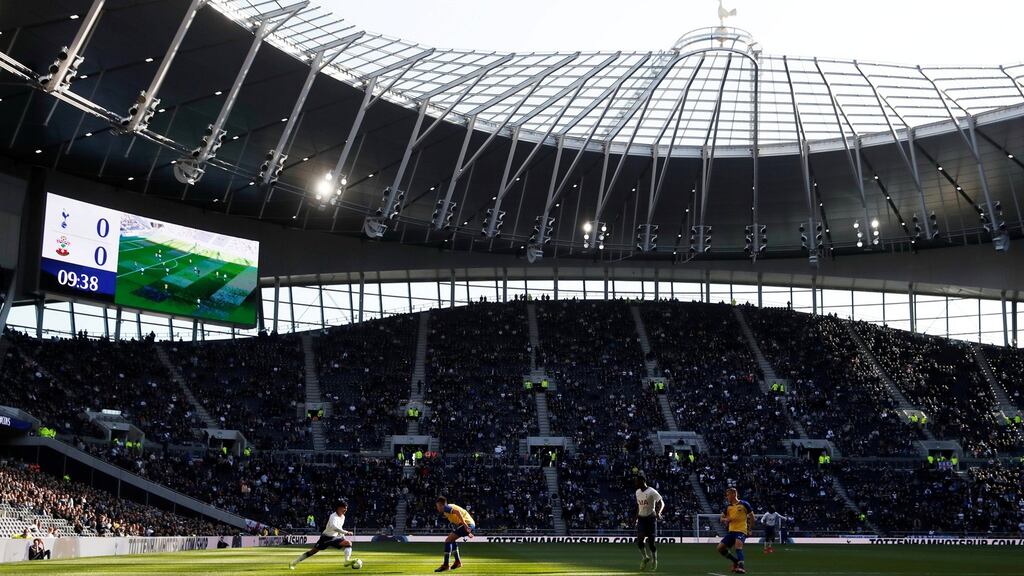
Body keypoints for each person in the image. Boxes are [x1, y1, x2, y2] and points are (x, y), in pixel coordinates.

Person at [289, 501, 358, 570]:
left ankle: (346, 561)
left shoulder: (343, 517)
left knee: (348, 543)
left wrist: (343, 536)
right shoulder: (333, 516)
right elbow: (334, 527)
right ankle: (293, 562)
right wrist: (346, 532)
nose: (346, 510)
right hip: (325, 538)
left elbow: (339, 528)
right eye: (344, 508)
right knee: (312, 551)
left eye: (346, 508)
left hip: (335, 538)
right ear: (339, 508)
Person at [717, 487, 754, 574]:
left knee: (738, 547)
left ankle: (741, 567)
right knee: (720, 548)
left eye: (728, 495)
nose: (727, 497)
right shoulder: (728, 507)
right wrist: (726, 519)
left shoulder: (744, 504)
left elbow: (752, 517)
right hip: (731, 531)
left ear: (734, 494)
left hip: (741, 530)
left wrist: (749, 529)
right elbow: (721, 518)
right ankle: (735, 561)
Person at [434, 496, 476, 572]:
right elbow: (458, 518)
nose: (437, 508)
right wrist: (468, 532)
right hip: (467, 524)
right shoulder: (447, 510)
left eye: (438, 506)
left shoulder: (446, 508)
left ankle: (446, 565)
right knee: (452, 540)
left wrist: (466, 526)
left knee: (448, 540)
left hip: (467, 524)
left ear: (442, 505)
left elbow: (457, 512)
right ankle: (457, 562)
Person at [635, 475, 665, 572]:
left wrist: (659, 512)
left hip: (651, 518)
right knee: (640, 540)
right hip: (641, 518)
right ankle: (645, 557)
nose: (636, 483)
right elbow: (639, 506)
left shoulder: (652, 491)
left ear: (643, 481)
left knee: (651, 542)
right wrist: (636, 518)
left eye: (638, 481)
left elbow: (662, 502)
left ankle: (655, 560)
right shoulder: (637, 492)